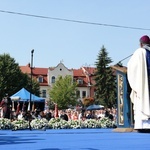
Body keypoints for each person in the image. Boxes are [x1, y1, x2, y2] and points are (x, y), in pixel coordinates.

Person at [127, 35, 150, 132]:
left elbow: (132, 67)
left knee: (142, 101)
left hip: (143, 84)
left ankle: (142, 125)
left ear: (140, 44)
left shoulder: (139, 52)